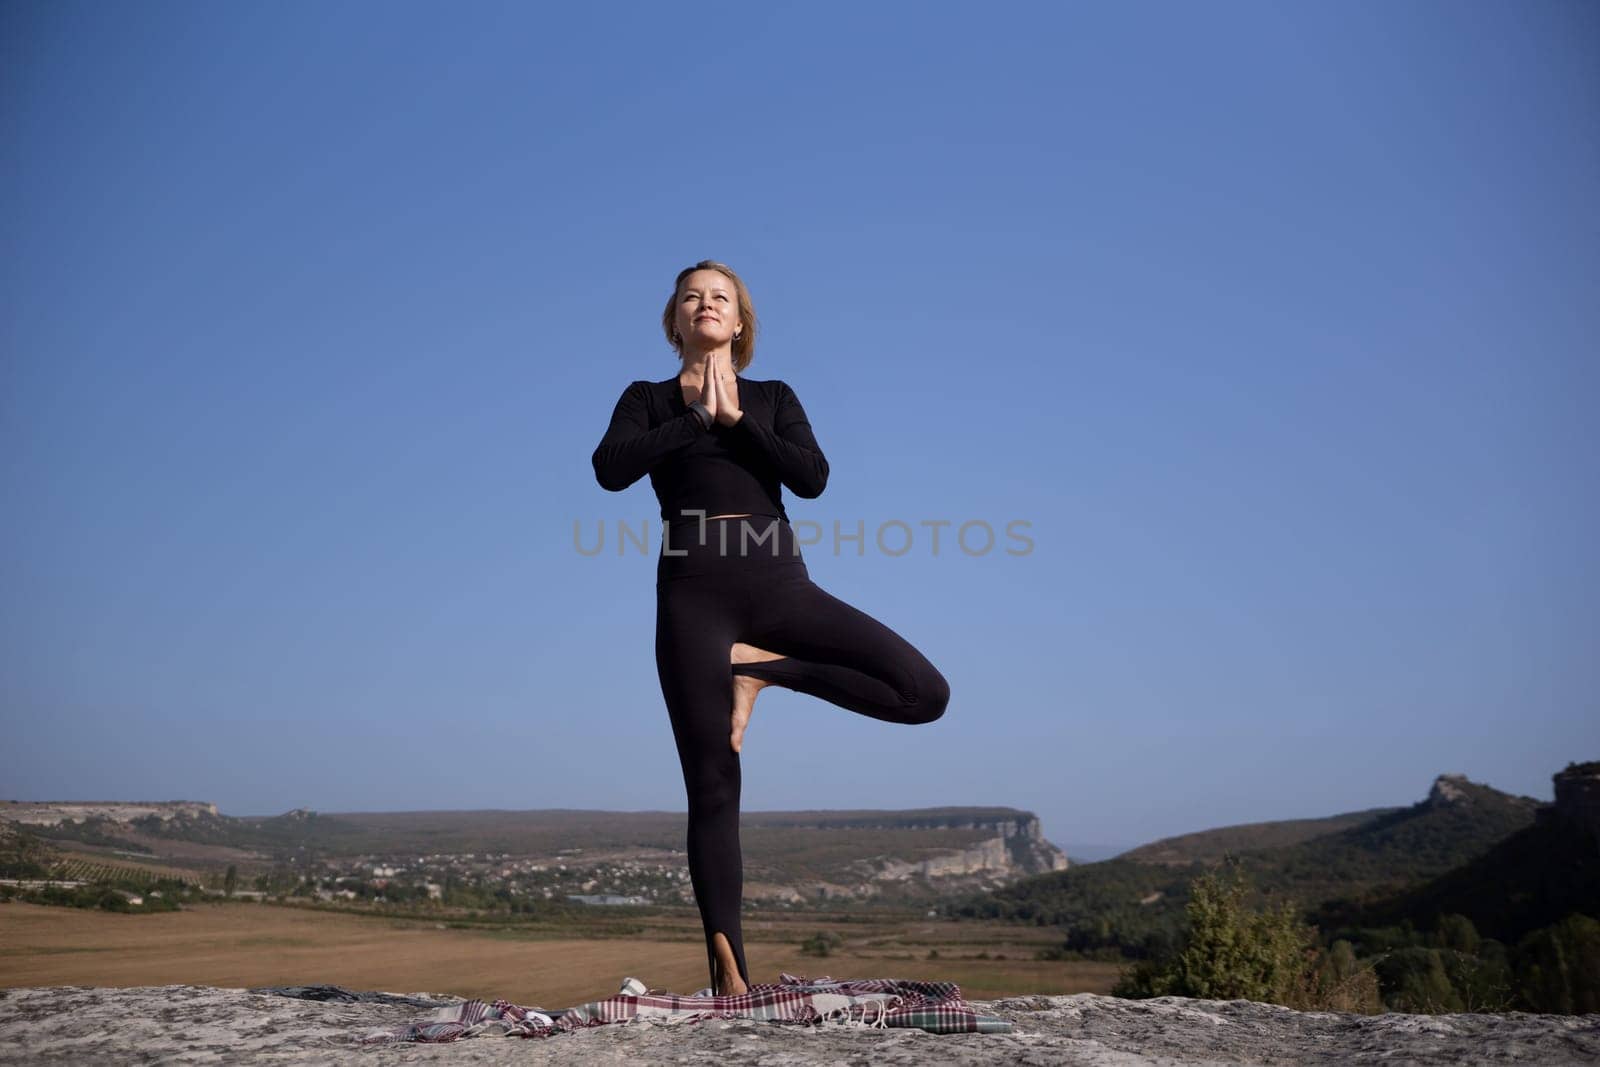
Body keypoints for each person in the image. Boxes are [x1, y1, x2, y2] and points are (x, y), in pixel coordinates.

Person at [590, 260, 951, 997]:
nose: (706, 304)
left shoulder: (774, 396)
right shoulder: (647, 399)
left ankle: (761, 668)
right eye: (691, 296)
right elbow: (609, 468)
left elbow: (812, 476)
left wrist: (737, 423)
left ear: (740, 319)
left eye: (720, 296)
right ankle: (729, 973)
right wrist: (693, 418)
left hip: (778, 584)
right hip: (692, 596)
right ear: (675, 319)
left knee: (922, 691)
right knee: (713, 782)